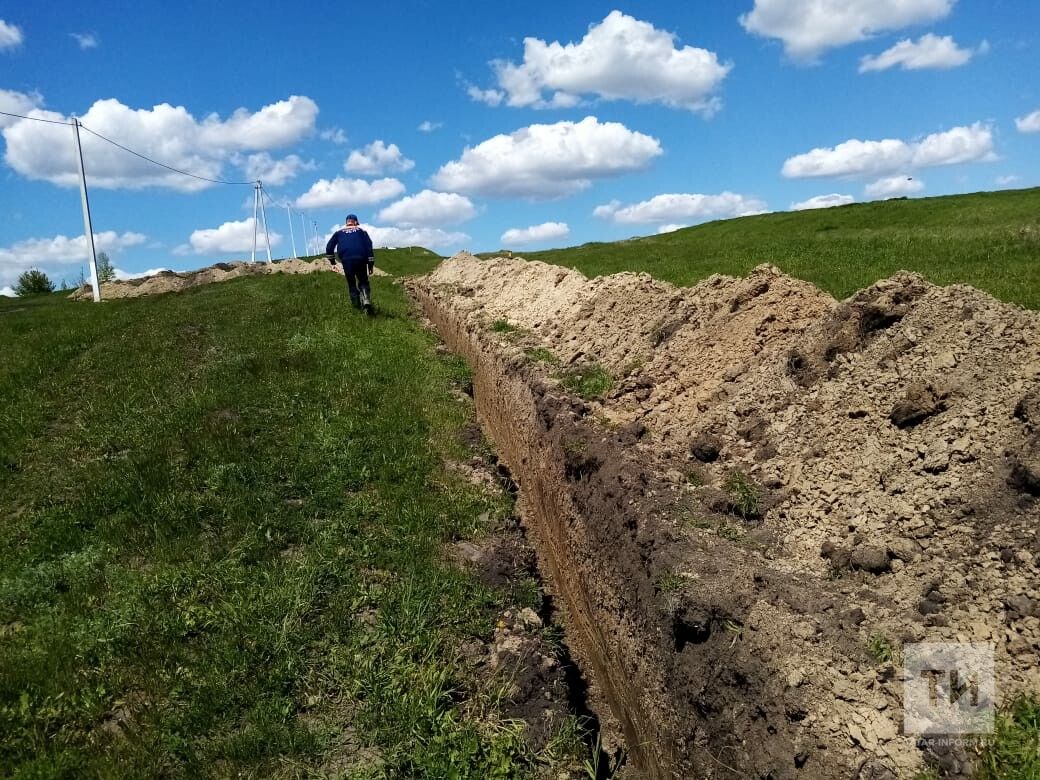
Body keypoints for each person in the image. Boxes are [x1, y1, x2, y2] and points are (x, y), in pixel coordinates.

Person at [325, 214, 375, 311]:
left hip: (346, 259)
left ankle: (356, 308)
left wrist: (332, 261)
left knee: (351, 283)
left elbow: (329, 247)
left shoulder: (338, 232)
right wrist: (370, 264)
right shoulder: (361, 231)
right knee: (363, 280)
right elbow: (369, 245)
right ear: (355, 222)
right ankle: (366, 298)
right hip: (361, 258)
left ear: (347, 222)